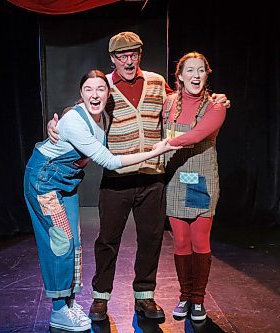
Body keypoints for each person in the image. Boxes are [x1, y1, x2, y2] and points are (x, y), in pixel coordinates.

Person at [47, 32, 230, 322]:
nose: (128, 60)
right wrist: (58, 120)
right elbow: (82, 107)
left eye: (133, 54)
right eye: (122, 56)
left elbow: (184, 98)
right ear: (112, 59)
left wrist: (215, 96)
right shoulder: (104, 86)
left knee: (151, 239)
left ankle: (144, 296)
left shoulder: (157, 82)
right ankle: (100, 297)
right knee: (107, 240)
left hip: (152, 177)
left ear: (140, 55)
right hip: (117, 178)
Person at [24, 69, 178, 332]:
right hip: (45, 182)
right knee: (61, 243)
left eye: (100, 89)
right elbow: (109, 161)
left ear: (109, 93)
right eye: (88, 90)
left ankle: (68, 304)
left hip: (67, 182)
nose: (95, 95)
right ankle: (58, 311)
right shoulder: (74, 120)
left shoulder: (103, 117)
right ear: (81, 94)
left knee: (74, 242)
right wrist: (157, 151)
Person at [161, 51, 226, 322]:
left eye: (201, 70)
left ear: (206, 74)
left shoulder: (216, 106)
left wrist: (167, 144)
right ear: (179, 76)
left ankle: (198, 299)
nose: (195, 75)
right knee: (181, 242)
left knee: (199, 241)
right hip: (176, 177)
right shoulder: (168, 104)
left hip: (198, 180)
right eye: (190, 70)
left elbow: (198, 134)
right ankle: (185, 296)